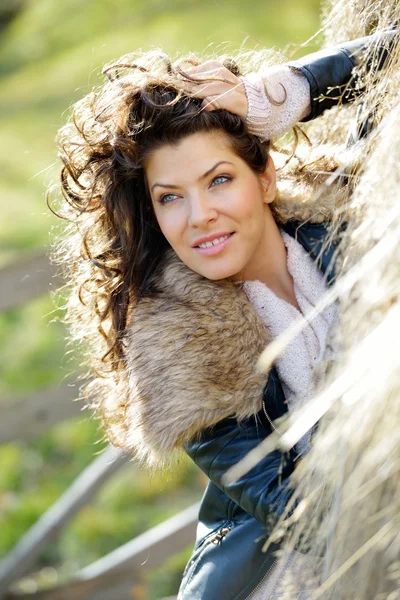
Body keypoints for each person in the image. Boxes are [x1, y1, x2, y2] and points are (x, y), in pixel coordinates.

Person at [52, 28, 396, 600]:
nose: (199, 216)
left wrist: (284, 92)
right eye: (170, 196)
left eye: (219, 180)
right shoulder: (180, 347)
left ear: (264, 178)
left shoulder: (349, 216)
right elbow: (307, 519)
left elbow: (391, 51)